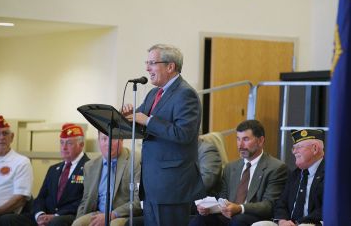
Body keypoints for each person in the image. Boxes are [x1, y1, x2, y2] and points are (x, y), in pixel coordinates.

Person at [122, 44, 205, 226]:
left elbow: (184, 134)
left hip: (172, 187)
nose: (147, 68)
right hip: (152, 184)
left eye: (152, 63)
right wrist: (125, 115)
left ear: (170, 66)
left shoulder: (186, 94)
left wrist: (149, 120)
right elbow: (139, 121)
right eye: (147, 63)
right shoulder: (153, 93)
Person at [190, 119, 288, 226]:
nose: (240, 145)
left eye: (245, 139)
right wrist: (210, 208)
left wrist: (240, 208)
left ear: (260, 141)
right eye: (238, 139)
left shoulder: (276, 168)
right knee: (200, 220)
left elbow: (269, 205)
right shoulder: (230, 167)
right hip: (228, 216)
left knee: (238, 221)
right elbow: (223, 198)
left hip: (253, 217)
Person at [0, 123, 90, 226]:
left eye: (69, 143)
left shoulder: (90, 168)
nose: (63, 147)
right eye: (61, 143)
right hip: (46, 216)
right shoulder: (53, 169)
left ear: (81, 145)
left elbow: (86, 201)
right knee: (7, 219)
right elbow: (41, 197)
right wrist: (40, 215)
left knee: (57, 222)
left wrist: (56, 215)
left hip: (68, 217)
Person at [252, 129, 325, 226]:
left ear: (315, 149)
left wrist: (300, 222)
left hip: (315, 223)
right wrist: (282, 220)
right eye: (293, 148)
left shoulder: (331, 175)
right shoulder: (295, 175)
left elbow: (328, 208)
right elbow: (281, 203)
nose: (294, 152)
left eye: (298, 147)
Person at [72, 131, 141, 226]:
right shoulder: (90, 166)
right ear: (99, 141)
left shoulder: (135, 161)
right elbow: (85, 199)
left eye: (113, 138)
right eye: (104, 139)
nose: (108, 143)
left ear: (121, 140)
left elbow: (139, 200)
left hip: (123, 214)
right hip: (98, 212)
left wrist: (113, 214)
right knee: (78, 224)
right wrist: (79, 218)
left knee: (114, 224)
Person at [0, 115, 34, 226]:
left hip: (3, 212)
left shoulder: (21, 162)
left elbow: (20, 198)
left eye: (5, 133)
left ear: (12, 137)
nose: (1, 137)